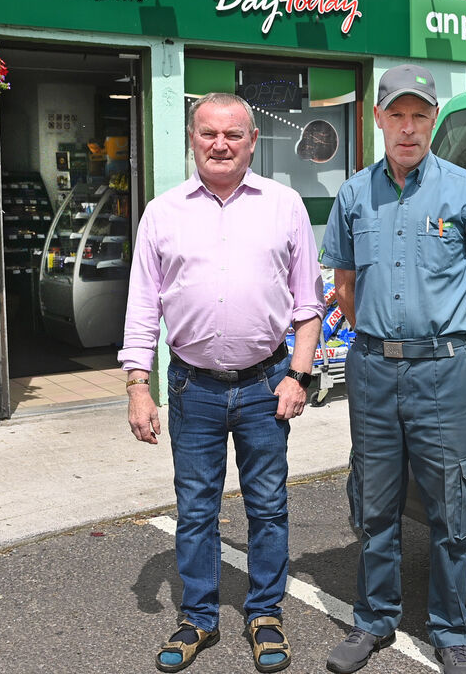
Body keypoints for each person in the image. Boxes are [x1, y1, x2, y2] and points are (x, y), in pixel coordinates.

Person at [120, 92, 325, 674]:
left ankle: (264, 614)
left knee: (267, 504)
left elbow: (308, 306)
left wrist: (299, 376)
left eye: (233, 134)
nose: (220, 144)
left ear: (252, 141)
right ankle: (200, 618)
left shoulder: (285, 207)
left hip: (266, 387)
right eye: (209, 133)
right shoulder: (162, 213)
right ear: (192, 139)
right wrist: (139, 385)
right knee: (196, 508)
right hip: (194, 389)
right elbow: (142, 308)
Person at [320, 65, 466, 674]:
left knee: (452, 509)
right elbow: (343, 285)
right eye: (396, 116)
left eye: (420, 116)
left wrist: (452, 349)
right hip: (373, 372)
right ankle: (374, 621)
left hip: (444, 376)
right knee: (374, 506)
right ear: (377, 119)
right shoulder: (354, 195)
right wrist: (382, 340)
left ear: (433, 120)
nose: (408, 129)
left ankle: (452, 632)